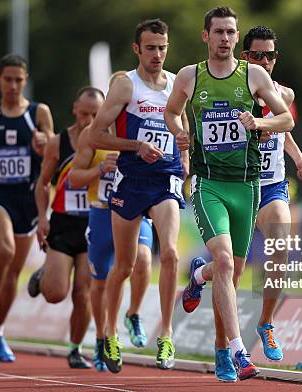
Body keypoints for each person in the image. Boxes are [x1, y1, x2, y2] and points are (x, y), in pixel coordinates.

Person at [165, 7, 294, 382]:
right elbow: (172, 112)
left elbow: (286, 118)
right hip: (209, 185)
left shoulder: (253, 75)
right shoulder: (191, 76)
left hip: (247, 186)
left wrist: (260, 122)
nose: (225, 38)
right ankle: (236, 352)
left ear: (237, 40)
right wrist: (179, 131)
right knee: (225, 263)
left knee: (229, 274)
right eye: (218, 31)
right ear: (206, 36)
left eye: (230, 32)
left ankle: (198, 278)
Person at [85, 19, 189, 373]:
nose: (157, 54)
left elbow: (182, 127)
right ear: (137, 49)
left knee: (171, 253)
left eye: (162, 47)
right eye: (150, 48)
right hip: (130, 180)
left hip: (165, 180)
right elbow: (95, 136)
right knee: (125, 266)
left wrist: (185, 159)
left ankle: (167, 334)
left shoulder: (177, 83)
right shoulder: (124, 86)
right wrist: (135, 146)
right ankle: (111, 332)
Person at [0, 54, 54, 362]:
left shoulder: (38, 112)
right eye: (8, 79)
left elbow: (54, 153)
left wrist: (45, 141)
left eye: (19, 80)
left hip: (28, 201)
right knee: (4, 251)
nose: (13, 85)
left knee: (14, 271)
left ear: (25, 80)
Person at [68, 73, 154, 372]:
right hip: (102, 213)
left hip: (134, 208)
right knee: (101, 282)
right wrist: (99, 170)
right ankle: (103, 336)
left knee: (143, 261)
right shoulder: (92, 137)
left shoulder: (138, 128)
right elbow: (73, 179)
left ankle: (133, 313)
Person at [26, 87, 105, 369]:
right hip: (62, 223)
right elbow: (43, 183)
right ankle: (44, 275)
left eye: (95, 114)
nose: (88, 120)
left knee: (83, 290)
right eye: (84, 114)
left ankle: (75, 348)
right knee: (56, 293)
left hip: (93, 223)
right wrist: (42, 218)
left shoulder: (107, 142)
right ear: (74, 109)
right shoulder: (58, 143)